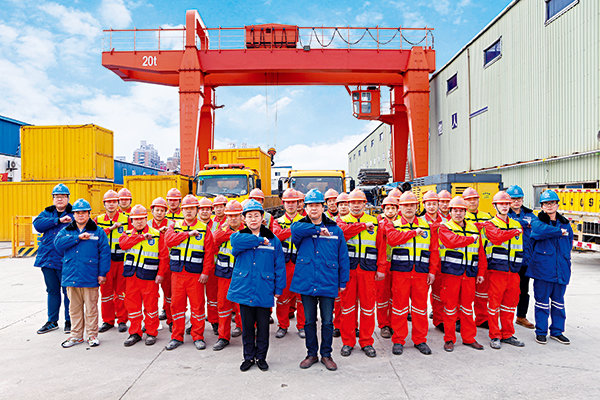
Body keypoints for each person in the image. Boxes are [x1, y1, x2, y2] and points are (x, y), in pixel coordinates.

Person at [290, 189, 349, 371]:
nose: (313, 208)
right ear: (305, 207)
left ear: (322, 207)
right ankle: (311, 354)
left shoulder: (335, 229)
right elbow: (295, 229)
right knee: (309, 321)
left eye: (317, 205)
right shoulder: (300, 227)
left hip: (327, 279)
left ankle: (326, 355)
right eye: (310, 205)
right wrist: (317, 229)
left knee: (327, 321)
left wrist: (343, 282)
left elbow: (343, 257)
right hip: (307, 280)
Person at [227, 200, 286, 372]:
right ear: (244, 219)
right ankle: (248, 357)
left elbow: (279, 266)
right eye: (249, 216)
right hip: (245, 287)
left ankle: (261, 357)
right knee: (247, 327)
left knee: (262, 327)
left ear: (262, 218)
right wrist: (259, 240)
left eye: (256, 216)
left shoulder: (273, 240)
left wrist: (278, 289)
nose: (253, 219)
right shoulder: (239, 236)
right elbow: (235, 243)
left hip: (264, 288)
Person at [383, 191, 438, 356]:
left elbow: (434, 250)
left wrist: (432, 271)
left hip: (421, 272)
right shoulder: (393, 224)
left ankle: (420, 340)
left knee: (420, 309)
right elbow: (392, 239)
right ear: (400, 207)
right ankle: (398, 340)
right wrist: (414, 233)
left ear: (417, 207)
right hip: (401, 273)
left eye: (412, 205)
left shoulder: (427, 225)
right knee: (399, 308)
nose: (408, 208)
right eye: (405, 205)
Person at [54, 199, 110, 348]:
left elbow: (104, 253)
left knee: (91, 308)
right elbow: (58, 245)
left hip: (90, 276)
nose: (80, 215)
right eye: (77, 212)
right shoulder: (66, 231)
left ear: (88, 214)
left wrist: (102, 273)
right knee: (74, 309)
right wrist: (77, 237)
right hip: (71, 276)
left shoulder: (98, 232)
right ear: (73, 214)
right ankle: (76, 335)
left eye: (83, 212)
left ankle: (92, 335)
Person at [164, 195, 216, 351]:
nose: (188, 212)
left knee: (198, 306)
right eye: (186, 209)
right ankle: (176, 336)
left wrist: (205, 272)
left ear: (196, 210)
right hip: (178, 274)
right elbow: (169, 241)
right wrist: (187, 234)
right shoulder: (174, 226)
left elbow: (209, 253)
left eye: (191, 209)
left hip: (195, 275)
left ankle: (198, 336)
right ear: (182, 210)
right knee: (176, 306)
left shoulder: (204, 229)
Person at [438, 196, 487, 352]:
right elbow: (452, 242)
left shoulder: (473, 228)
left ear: (465, 212)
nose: (458, 213)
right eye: (455, 210)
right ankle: (449, 339)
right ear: (450, 212)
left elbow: (480, 253)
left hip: (469, 274)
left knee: (467, 308)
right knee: (450, 308)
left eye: (461, 211)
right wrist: (469, 239)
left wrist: (480, 272)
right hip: (451, 274)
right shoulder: (445, 227)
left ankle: (469, 338)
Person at [336, 189, 379, 358]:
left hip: (368, 270)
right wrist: (362, 226)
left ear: (364, 204)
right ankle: (348, 342)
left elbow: (380, 246)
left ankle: (367, 341)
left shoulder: (375, 221)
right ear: (348, 204)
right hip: (349, 270)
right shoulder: (341, 221)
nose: (356, 205)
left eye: (359, 202)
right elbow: (343, 233)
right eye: (353, 202)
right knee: (347, 307)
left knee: (368, 308)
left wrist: (381, 268)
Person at [119, 205, 169, 347]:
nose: (139, 221)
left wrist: (160, 274)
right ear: (131, 220)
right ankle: (134, 333)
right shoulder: (127, 234)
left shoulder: (157, 234)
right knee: (132, 306)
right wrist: (140, 237)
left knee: (151, 306)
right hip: (131, 277)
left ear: (146, 219)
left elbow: (164, 257)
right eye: (136, 219)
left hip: (149, 277)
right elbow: (123, 244)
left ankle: (151, 332)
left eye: (142, 218)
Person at [528, 190, 573, 345]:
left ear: (557, 204)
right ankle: (541, 332)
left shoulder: (565, 223)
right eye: (546, 203)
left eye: (552, 203)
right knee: (541, 302)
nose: (549, 205)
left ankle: (557, 331)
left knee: (559, 302)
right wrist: (559, 232)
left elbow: (569, 243)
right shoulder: (536, 221)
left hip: (561, 268)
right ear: (541, 206)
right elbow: (538, 232)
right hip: (543, 269)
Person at [483, 191, 525, 349]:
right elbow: (496, 237)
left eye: (507, 204)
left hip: (513, 271)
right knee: (494, 304)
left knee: (510, 305)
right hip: (496, 271)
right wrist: (514, 232)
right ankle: (494, 335)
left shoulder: (516, 224)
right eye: (501, 204)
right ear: (495, 206)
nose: (505, 206)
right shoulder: (490, 224)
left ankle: (507, 333)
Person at [33, 183, 73, 334]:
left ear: (68, 198)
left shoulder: (74, 213)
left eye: (63, 196)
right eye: (57, 196)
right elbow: (38, 225)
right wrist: (57, 221)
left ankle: (69, 321)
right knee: (52, 291)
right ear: (53, 198)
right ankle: (52, 321)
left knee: (68, 291)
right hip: (48, 259)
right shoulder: (47, 212)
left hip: (66, 260)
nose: (60, 199)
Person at [211, 200, 245, 351]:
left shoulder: (249, 229)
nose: (233, 219)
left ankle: (246, 332)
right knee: (223, 306)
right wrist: (233, 233)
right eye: (230, 216)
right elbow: (215, 238)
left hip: (242, 275)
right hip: (224, 274)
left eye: (236, 215)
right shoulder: (222, 229)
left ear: (241, 216)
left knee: (243, 305)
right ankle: (223, 337)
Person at [272, 189, 306, 338]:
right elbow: (276, 237)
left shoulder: (307, 220)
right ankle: (282, 325)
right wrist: (295, 229)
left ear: (298, 203)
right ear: (283, 204)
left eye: (293, 202)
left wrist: (289, 230)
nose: (291, 205)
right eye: (288, 202)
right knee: (282, 298)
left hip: (301, 265)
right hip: (284, 265)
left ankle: (302, 326)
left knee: (302, 298)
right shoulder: (277, 221)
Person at [95, 189, 129, 333]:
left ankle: (122, 320)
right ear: (104, 204)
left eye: (114, 202)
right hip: (105, 261)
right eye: (108, 202)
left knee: (121, 292)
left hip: (121, 260)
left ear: (118, 203)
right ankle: (108, 320)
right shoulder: (98, 220)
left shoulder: (127, 219)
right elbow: (95, 237)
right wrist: (110, 229)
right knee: (106, 292)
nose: (111, 205)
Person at [462, 187, 493, 329]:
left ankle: (482, 318)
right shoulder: (460, 215)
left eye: (474, 199)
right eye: (469, 200)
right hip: (466, 258)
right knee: (463, 294)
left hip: (483, 257)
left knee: (482, 292)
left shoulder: (487, 216)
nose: (472, 202)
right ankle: (460, 319)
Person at [507, 185, 537, 329]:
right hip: (509, 260)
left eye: (518, 199)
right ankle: (503, 318)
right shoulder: (505, 214)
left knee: (523, 290)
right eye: (513, 199)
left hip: (525, 259)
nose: (516, 202)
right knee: (506, 290)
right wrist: (525, 224)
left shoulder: (530, 214)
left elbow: (537, 226)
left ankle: (521, 317)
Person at [375, 195, 400, 339]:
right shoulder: (380, 225)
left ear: (397, 210)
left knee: (396, 297)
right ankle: (383, 324)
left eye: (393, 208)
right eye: (387, 208)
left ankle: (394, 324)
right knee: (382, 297)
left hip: (399, 265)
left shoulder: (401, 224)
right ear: (383, 210)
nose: (390, 211)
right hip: (384, 265)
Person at [421, 191, 445, 331]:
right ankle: (421, 324)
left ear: (438, 205)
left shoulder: (446, 222)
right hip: (424, 262)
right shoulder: (419, 222)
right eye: (428, 204)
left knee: (439, 293)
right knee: (421, 296)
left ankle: (439, 320)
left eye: (434, 204)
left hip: (442, 262)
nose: (431, 207)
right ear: (424, 205)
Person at [149, 197, 173, 330]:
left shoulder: (172, 224)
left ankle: (171, 320)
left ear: (166, 211)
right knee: (151, 295)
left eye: (162, 210)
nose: (159, 213)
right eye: (157, 210)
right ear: (152, 211)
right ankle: (152, 322)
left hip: (168, 263)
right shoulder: (146, 224)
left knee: (170, 294)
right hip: (150, 264)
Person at [197, 196, 220, 336]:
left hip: (213, 267)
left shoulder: (217, 225)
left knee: (212, 298)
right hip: (195, 268)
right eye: (202, 209)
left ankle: (214, 321)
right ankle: (196, 324)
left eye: (207, 209)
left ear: (211, 211)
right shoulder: (192, 225)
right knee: (197, 299)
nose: (205, 212)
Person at [332, 191, 350, 336]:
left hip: (356, 265)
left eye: (346, 204)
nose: (343, 207)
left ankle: (352, 326)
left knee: (352, 302)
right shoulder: (334, 222)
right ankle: (337, 325)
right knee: (338, 299)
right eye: (341, 205)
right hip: (336, 265)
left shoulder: (355, 221)